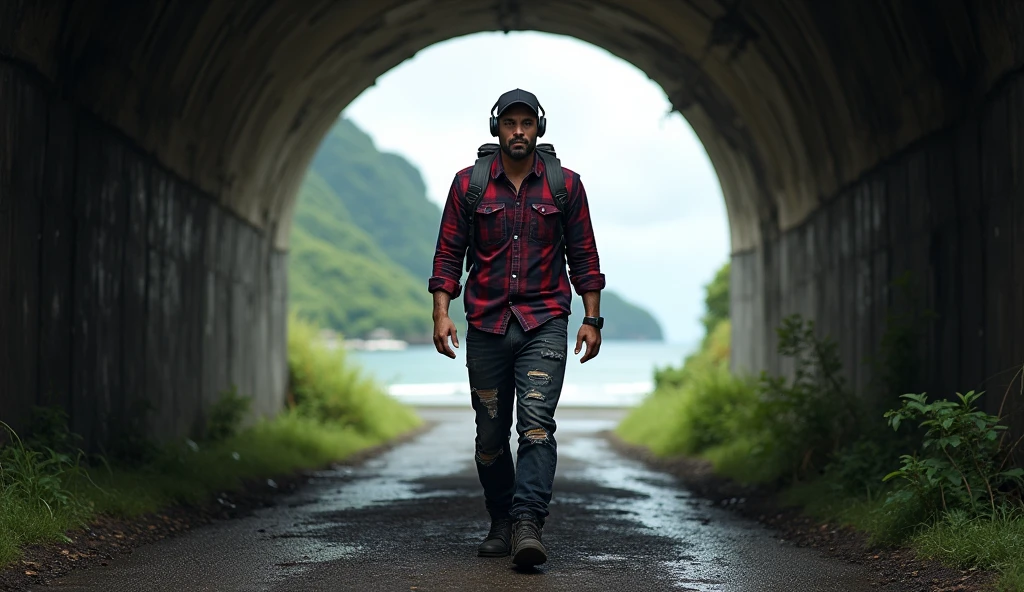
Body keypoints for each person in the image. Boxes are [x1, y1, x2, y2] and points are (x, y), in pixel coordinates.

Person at [427, 88, 607, 567]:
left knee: (535, 429)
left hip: (544, 322)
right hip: (485, 324)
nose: (519, 131)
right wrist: (441, 311)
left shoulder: (565, 185)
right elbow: (448, 254)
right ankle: (500, 520)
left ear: (539, 129)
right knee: (490, 438)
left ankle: (528, 524)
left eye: (527, 123)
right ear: (497, 129)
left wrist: (591, 318)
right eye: (511, 123)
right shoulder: (469, 185)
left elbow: (584, 256)